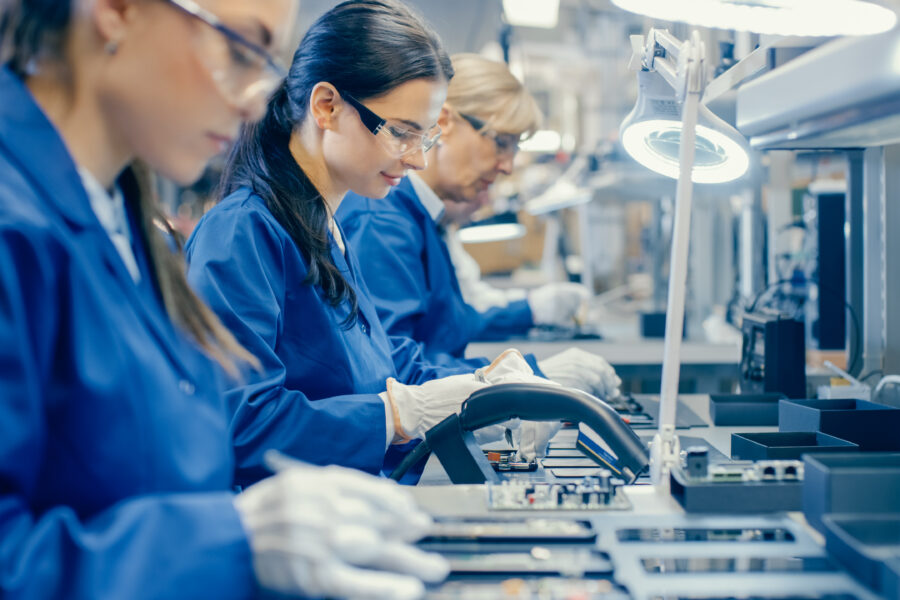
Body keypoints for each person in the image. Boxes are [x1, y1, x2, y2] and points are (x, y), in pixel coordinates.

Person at [0, 0, 451, 598]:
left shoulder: (116, 212)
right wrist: (228, 539)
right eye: (240, 51)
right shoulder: (17, 222)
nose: (254, 98)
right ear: (114, 11)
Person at [338, 53, 622, 398]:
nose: (508, 166)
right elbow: (396, 374)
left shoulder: (423, 221)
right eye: (500, 142)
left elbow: (452, 324)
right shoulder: (382, 220)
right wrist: (525, 375)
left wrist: (529, 313)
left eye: (515, 149)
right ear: (444, 123)